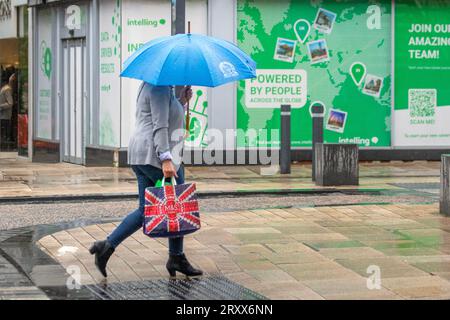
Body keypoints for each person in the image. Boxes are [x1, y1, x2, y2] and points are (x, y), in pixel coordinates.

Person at [89, 83, 203, 278]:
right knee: (177, 205)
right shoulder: (159, 87)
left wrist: (182, 101)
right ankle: (176, 257)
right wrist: (166, 159)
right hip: (155, 156)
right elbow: (160, 125)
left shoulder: (157, 86)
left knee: (145, 210)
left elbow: (165, 115)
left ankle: (106, 246)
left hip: (143, 155)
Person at [0, 74, 15, 150]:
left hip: (5, 116)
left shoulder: (6, 89)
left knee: (5, 133)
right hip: (3, 115)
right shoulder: (4, 88)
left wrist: (1, 106)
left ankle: (5, 147)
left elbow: (10, 103)